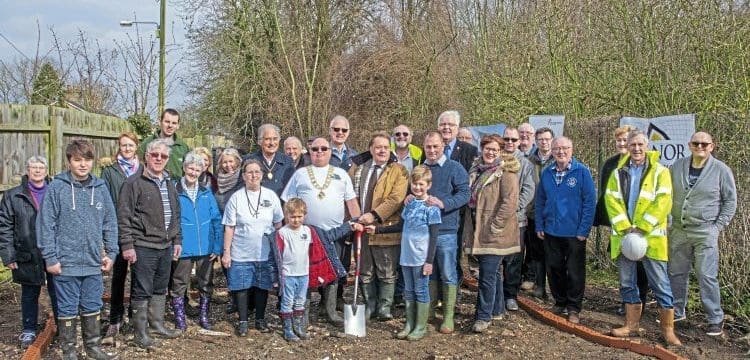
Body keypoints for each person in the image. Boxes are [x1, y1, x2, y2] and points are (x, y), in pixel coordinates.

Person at [37, 140, 118, 359]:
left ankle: (92, 348)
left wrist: (111, 252)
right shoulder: (57, 188)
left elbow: (110, 222)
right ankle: (69, 352)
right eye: (77, 160)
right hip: (65, 263)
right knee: (67, 309)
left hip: (93, 262)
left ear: (93, 162)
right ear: (69, 161)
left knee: (93, 305)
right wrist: (50, 258)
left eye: (87, 160)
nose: (83, 165)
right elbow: (46, 225)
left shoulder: (100, 188)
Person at [605, 130, 681, 345]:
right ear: (627, 147)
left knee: (661, 285)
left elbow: (663, 202)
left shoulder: (660, 172)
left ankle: (668, 330)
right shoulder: (618, 173)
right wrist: (626, 227)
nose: (636, 149)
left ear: (647, 146)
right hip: (625, 238)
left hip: (652, 239)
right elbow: (612, 201)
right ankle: (631, 325)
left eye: (640, 144)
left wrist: (643, 227)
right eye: (632, 145)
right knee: (627, 283)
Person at [281, 137, 361, 325]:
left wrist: (357, 224)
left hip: (336, 234)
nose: (319, 151)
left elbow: (351, 203)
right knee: (306, 273)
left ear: (330, 151)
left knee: (332, 272)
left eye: (324, 148)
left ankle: (330, 311)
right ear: (309, 152)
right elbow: (288, 203)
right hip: (307, 236)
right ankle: (304, 312)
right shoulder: (300, 174)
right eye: (315, 149)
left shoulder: (341, 174)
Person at [669, 131, 737, 336]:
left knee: (707, 275)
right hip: (680, 230)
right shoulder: (677, 167)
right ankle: (677, 311)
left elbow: (730, 201)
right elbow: (667, 194)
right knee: (676, 273)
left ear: (712, 146)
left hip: (705, 231)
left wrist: (717, 227)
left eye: (704, 144)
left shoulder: (721, 170)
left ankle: (715, 318)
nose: (700, 147)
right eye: (696, 143)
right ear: (689, 145)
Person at [118, 139, 183, 349]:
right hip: (143, 245)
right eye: (155, 155)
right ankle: (140, 333)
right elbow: (124, 217)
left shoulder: (168, 182)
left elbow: (176, 214)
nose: (158, 159)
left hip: (165, 245)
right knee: (142, 289)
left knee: (160, 287)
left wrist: (177, 239)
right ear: (146, 156)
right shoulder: (133, 183)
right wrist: (127, 245)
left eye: (163, 156)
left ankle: (157, 324)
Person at [366, 165, 441, 341]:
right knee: (408, 290)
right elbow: (400, 226)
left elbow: (435, 236)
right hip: (406, 256)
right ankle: (409, 323)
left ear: (428, 185)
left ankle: (420, 326)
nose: (418, 188)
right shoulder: (409, 204)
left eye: (421, 184)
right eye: (415, 184)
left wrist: (429, 261)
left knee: (421, 290)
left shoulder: (432, 208)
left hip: (421, 257)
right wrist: (376, 230)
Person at [270, 198, 359, 341]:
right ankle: (287, 329)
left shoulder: (309, 231)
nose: (296, 220)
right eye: (292, 217)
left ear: (304, 215)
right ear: (286, 216)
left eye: (299, 216)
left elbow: (331, 235)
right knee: (287, 302)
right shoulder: (281, 233)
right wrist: (275, 278)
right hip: (288, 274)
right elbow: (274, 258)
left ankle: (299, 327)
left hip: (304, 274)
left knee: (300, 301)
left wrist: (349, 226)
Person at [462, 135, 520, 333]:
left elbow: (509, 203)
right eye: (487, 148)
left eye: (495, 149)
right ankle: (497, 309)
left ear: (501, 151)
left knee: (486, 274)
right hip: (480, 228)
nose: (490, 152)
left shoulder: (506, 173)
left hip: (495, 233)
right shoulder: (477, 171)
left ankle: (483, 316)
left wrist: (496, 225)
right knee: (494, 273)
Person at [0, 156, 59, 349]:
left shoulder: (56, 191)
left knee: (58, 289)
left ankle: (62, 324)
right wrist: (8, 255)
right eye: (33, 167)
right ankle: (29, 329)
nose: (37, 171)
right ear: (27, 170)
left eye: (41, 167)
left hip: (54, 249)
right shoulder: (13, 196)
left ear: (46, 170)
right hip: (27, 250)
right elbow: (5, 227)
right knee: (29, 292)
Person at [535, 136, 595, 325]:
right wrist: (539, 224)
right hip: (551, 231)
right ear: (552, 151)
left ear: (572, 149)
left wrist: (583, 230)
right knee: (554, 269)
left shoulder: (582, 173)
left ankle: (573, 308)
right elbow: (539, 201)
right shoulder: (547, 173)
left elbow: (589, 203)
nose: (561, 152)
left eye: (565, 148)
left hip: (574, 233)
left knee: (575, 271)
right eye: (557, 148)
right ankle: (559, 302)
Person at [349, 133, 409, 321]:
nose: (382, 150)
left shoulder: (399, 170)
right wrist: (356, 218)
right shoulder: (360, 170)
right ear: (371, 149)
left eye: (385, 147)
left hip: (385, 228)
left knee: (387, 270)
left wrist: (374, 215)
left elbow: (396, 199)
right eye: (378, 147)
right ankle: (369, 305)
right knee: (365, 270)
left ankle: (384, 307)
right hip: (362, 229)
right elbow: (350, 194)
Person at [221, 160, 283, 336]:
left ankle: (260, 319)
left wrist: (280, 249)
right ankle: (242, 321)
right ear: (243, 176)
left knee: (261, 286)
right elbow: (229, 227)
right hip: (241, 251)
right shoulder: (236, 198)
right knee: (241, 287)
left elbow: (278, 223)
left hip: (264, 252)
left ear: (262, 175)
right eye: (249, 172)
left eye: (257, 172)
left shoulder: (271, 196)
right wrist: (226, 252)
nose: (253, 175)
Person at [593, 125, 648, 315]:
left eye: (626, 140)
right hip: (619, 223)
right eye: (620, 140)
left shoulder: (646, 165)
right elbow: (606, 194)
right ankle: (628, 301)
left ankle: (641, 301)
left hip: (641, 224)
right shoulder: (610, 164)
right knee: (625, 265)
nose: (623, 144)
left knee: (640, 264)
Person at [419, 131, 470, 334]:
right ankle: (430, 309)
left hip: (446, 229)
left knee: (448, 272)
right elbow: (413, 190)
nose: (431, 150)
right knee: (428, 271)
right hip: (422, 231)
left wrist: (444, 204)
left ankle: (448, 315)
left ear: (443, 146)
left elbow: (465, 193)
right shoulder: (421, 169)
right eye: (428, 146)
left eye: (435, 146)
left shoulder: (454, 168)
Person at [170, 152, 223, 330]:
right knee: (179, 282)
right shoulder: (174, 190)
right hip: (184, 246)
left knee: (206, 282)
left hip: (205, 246)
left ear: (202, 172)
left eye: (197, 169)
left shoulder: (206, 193)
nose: (193, 172)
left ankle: (204, 315)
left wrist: (217, 245)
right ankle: (179, 316)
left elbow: (216, 219)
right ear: (184, 168)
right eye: (191, 168)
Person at [100, 132, 144, 339]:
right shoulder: (110, 172)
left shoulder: (143, 169)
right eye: (123, 145)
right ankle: (115, 317)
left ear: (136, 147)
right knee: (118, 275)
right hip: (118, 228)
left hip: (140, 229)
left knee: (138, 275)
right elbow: (105, 201)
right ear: (119, 147)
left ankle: (134, 316)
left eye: (130, 145)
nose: (127, 149)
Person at [500, 128, 536, 312]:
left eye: (514, 139)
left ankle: (510, 295)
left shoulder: (526, 164)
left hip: (517, 219)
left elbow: (529, 191)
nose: (510, 142)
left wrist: (513, 208)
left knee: (514, 260)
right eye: (506, 138)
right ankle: (496, 295)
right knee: (496, 259)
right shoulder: (494, 160)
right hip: (495, 219)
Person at [522, 127, 556, 298]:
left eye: (547, 139)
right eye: (541, 139)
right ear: (536, 141)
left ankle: (553, 288)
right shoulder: (529, 161)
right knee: (536, 253)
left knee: (553, 253)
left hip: (554, 215)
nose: (544, 142)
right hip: (533, 213)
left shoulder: (558, 160)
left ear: (552, 140)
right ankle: (539, 285)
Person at [138, 108, 191, 178]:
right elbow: (139, 166)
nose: (170, 125)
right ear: (160, 122)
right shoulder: (147, 143)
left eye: (174, 123)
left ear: (178, 125)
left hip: (176, 187)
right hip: (152, 186)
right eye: (167, 122)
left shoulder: (183, 147)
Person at [246, 124, 296, 196]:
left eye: (275, 139)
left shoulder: (287, 162)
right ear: (259, 141)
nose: (272, 143)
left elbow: (293, 188)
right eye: (267, 139)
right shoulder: (249, 161)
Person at [214, 148, 244, 213]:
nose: (228, 165)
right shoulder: (219, 179)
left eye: (231, 161)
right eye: (225, 162)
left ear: (237, 162)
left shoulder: (243, 179)